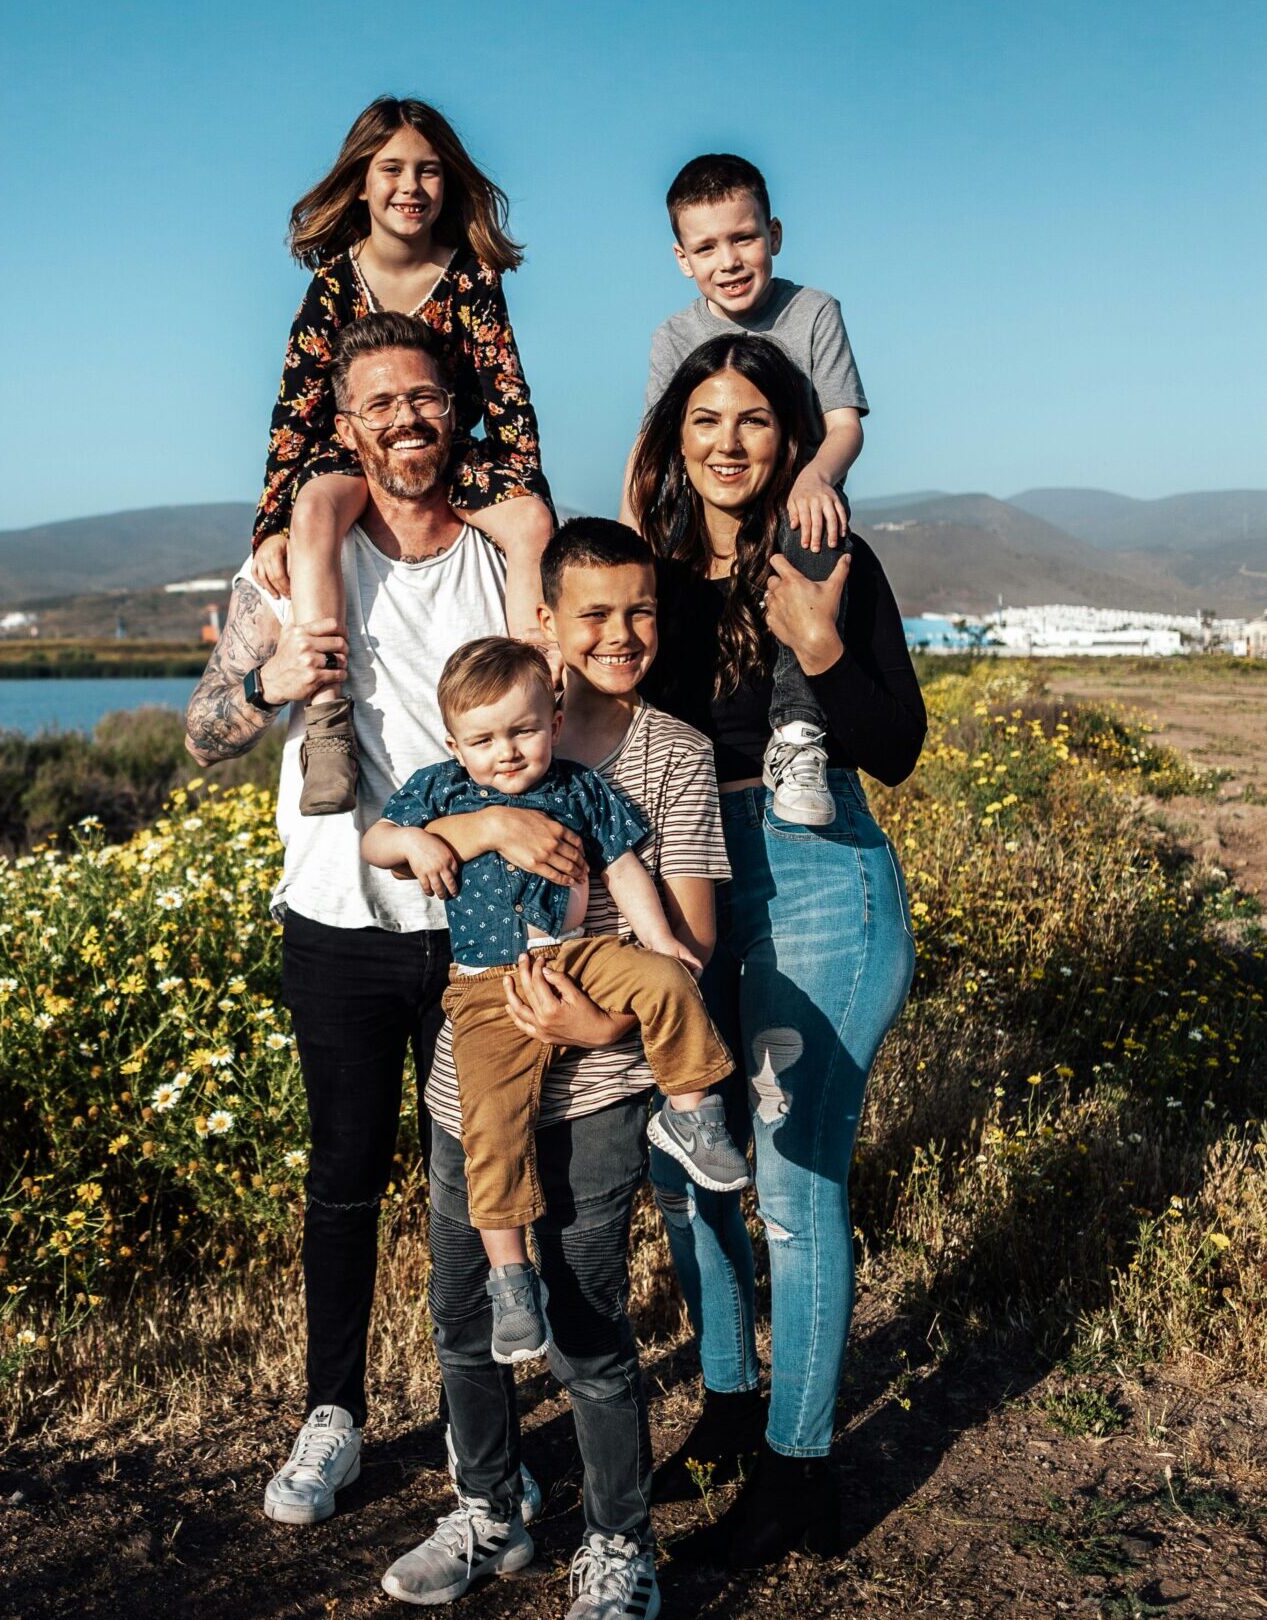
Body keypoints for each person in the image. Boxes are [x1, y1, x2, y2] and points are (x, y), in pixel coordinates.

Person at [183, 310, 542, 1532]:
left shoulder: (499, 559)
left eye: (425, 399)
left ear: (458, 413)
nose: (405, 420)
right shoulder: (284, 569)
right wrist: (266, 683)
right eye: (379, 403)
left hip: (480, 925)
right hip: (338, 915)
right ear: (345, 427)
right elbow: (201, 735)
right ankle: (330, 1415)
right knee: (342, 1178)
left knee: (471, 1181)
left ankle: (473, 1427)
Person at [378, 519, 730, 1620]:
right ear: (546, 625)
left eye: (642, 613)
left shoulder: (667, 754)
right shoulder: (481, 737)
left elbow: (685, 933)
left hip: (603, 1084)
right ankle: (490, 1509)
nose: (621, 635)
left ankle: (621, 1543)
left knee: (588, 1320)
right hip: (469, 1073)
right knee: (466, 1310)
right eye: (594, 614)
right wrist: (480, 825)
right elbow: (397, 844)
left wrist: (600, 1029)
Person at [629, 333, 923, 1569]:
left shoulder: (830, 559)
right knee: (690, 1163)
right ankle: (731, 1406)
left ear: (791, 438)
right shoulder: (648, 572)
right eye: (705, 419)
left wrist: (814, 635)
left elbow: (894, 741)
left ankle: (803, 1474)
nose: (729, 442)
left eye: (754, 419)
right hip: (690, 873)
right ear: (673, 438)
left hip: (818, 879)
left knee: (796, 1192)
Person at [362, 636, 743, 1368]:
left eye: (523, 730)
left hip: (581, 957)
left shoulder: (578, 788)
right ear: (453, 743)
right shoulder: (440, 790)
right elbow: (375, 842)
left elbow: (624, 868)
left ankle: (693, 1116)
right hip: (485, 986)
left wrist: (662, 941)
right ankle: (510, 1278)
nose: (505, 752)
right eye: (483, 739)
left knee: (669, 983)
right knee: (490, 1125)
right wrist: (415, 845)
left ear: (554, 720)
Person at [250, 96, 554, 817]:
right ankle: (328, 721)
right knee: (316, 506)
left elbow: (505, 392)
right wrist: (270, 523)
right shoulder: (331, 284)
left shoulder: (472, 276)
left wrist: (523, 491)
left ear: (447, 183)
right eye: (391, 169)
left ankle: (539, 689)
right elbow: (294, 410)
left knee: (532, 524)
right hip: (353, 453)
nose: (409, 187)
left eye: (427, 171)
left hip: (454, 450)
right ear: (361, 181)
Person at [621, 153, 869, 828]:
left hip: (794, 508)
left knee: (813, 526)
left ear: (774, 235)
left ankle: (796, 736)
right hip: (706, 515)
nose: (727, 260)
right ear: (681, 258)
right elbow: (650, 447)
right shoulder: (674, 336)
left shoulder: (813, 311)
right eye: (706, 247)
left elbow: (843, 425)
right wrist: (625, 540)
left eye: (743, 238)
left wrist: (816, 474)